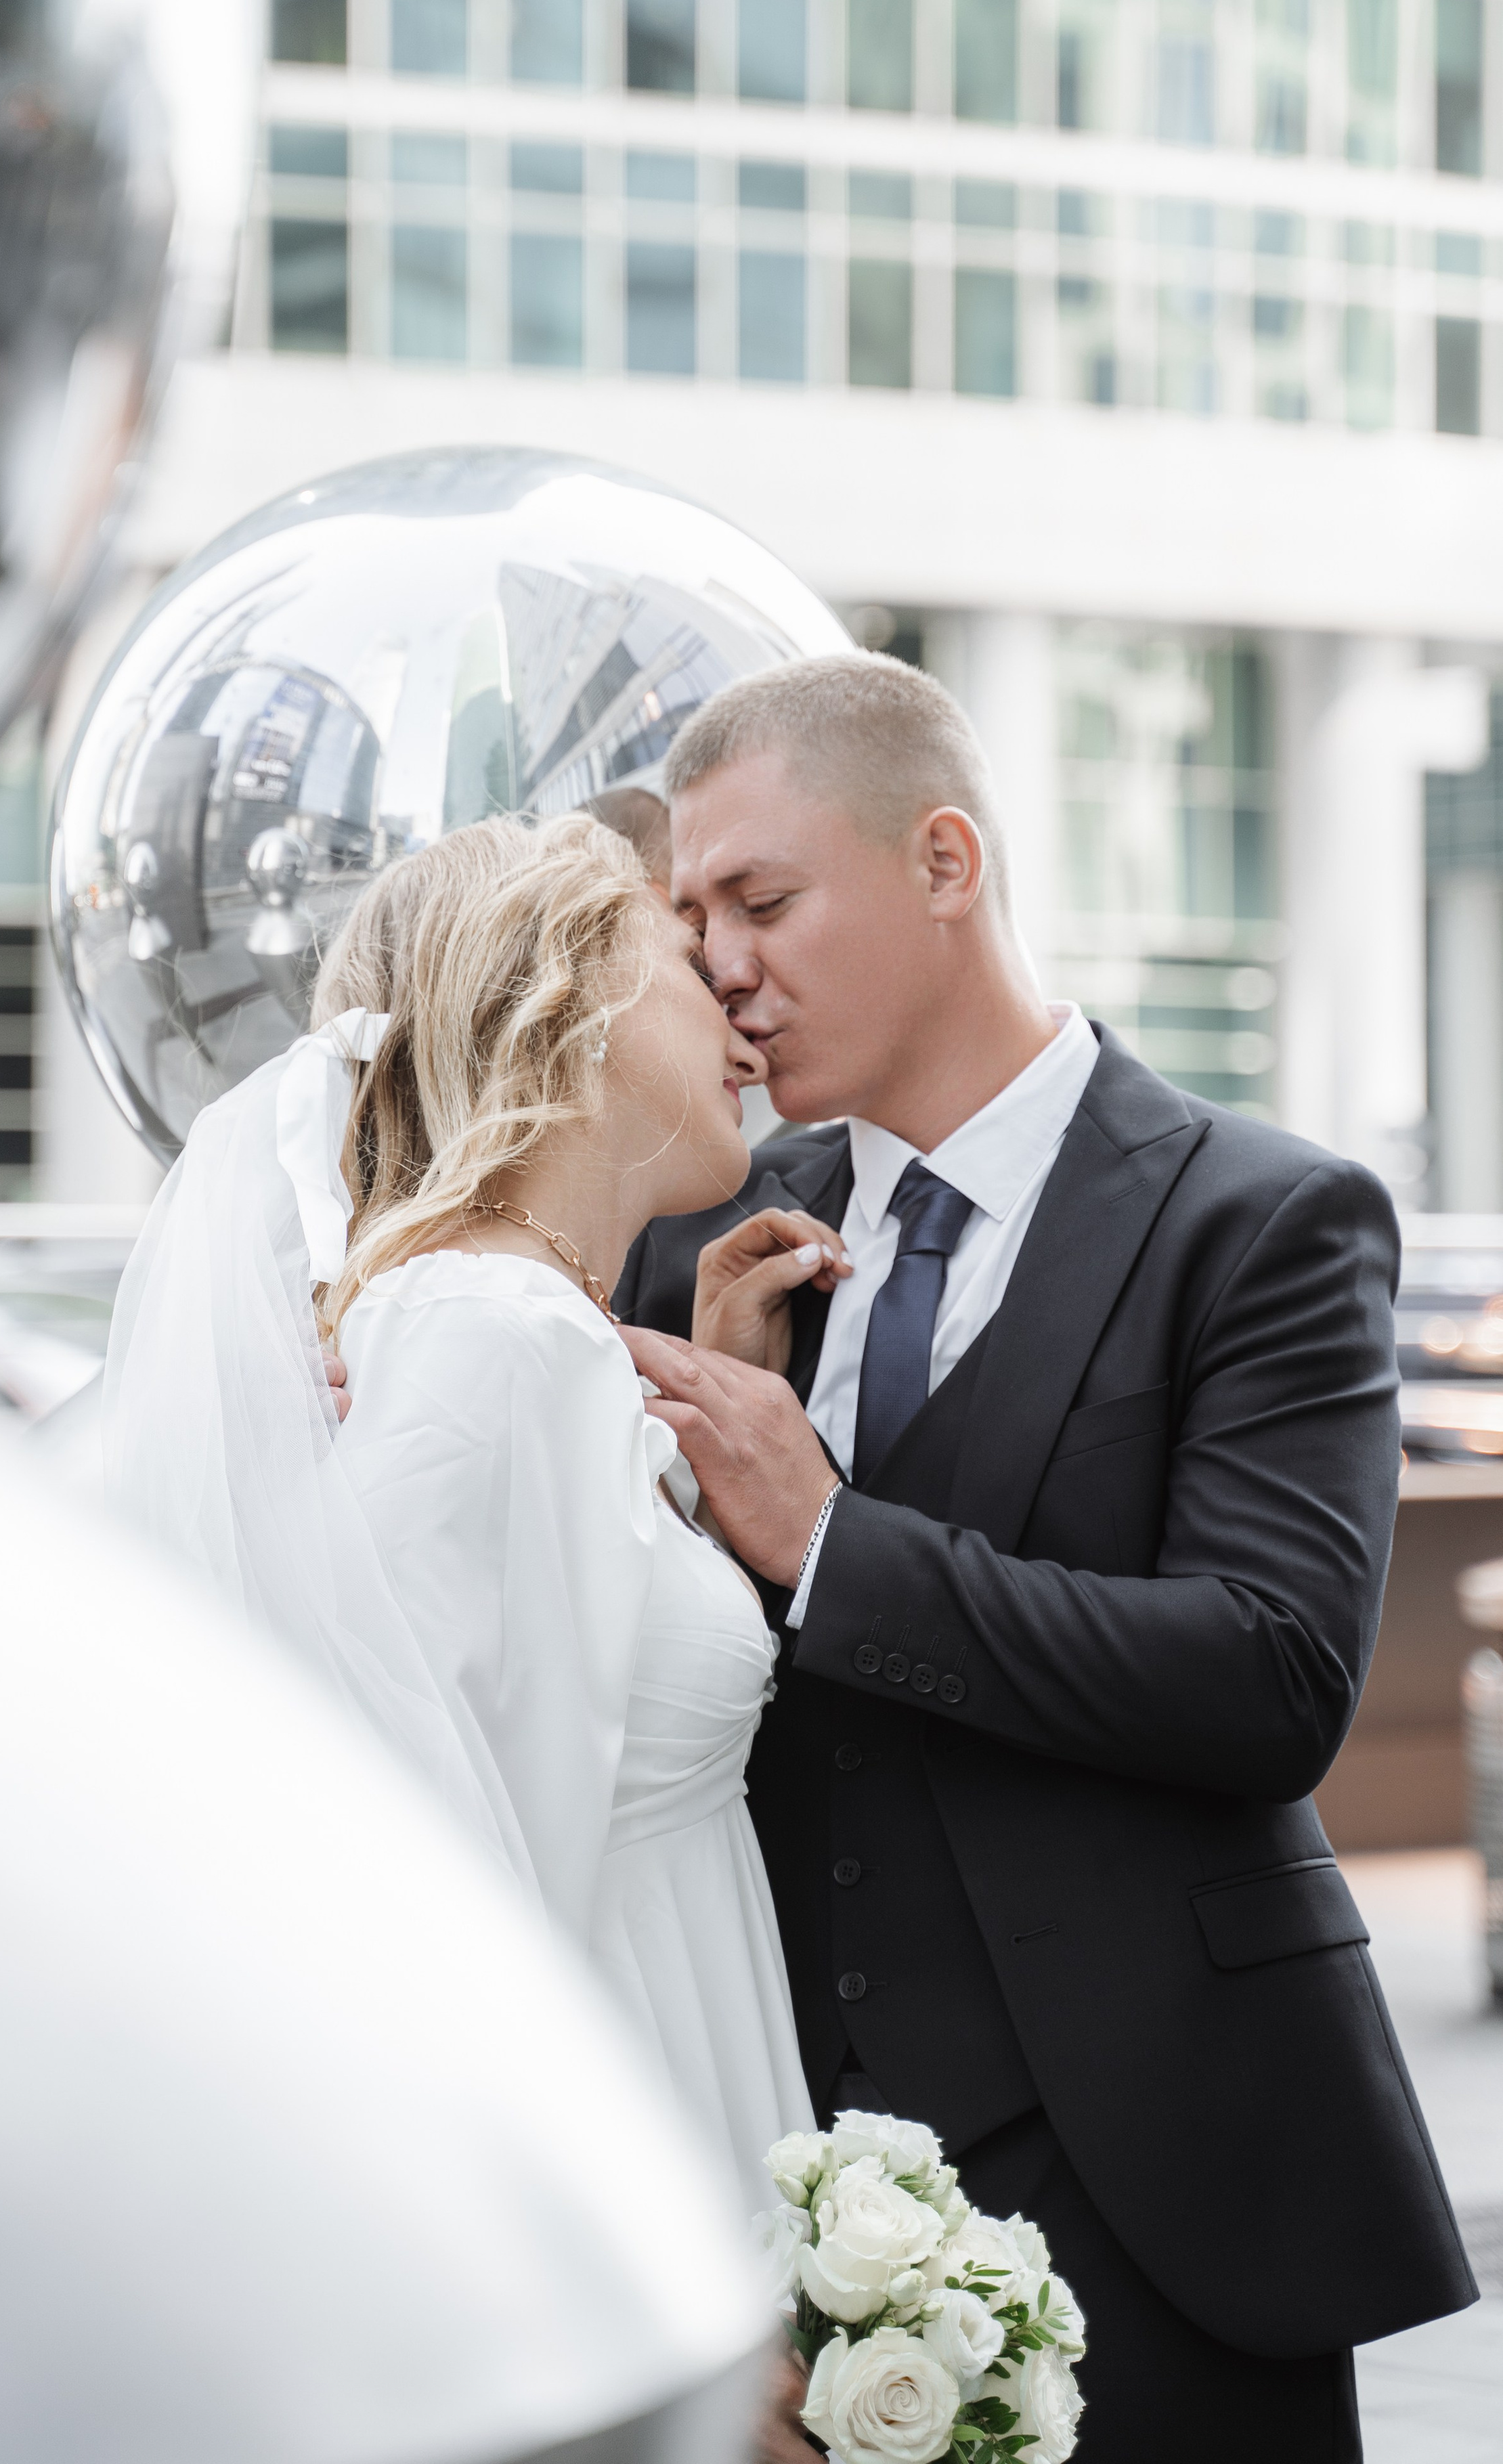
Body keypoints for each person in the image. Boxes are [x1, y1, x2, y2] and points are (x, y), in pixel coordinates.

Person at [613, 652, 1478, 2463]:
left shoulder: (1262, 1218)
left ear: (945, 862)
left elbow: (1269, 1677)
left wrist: (832, 1538)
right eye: (692, 918)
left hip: (1165, 2187)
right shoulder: (702, 1244)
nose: (722, 965)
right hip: (784, 2193)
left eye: (762, 900)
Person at [104, 813, 815, 2216]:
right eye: (686, 961)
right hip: (610, 2133)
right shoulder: (494, 1336)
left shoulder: (524, 1331)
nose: (737, 1010)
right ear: (573, 1000)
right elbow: (428, 1876)